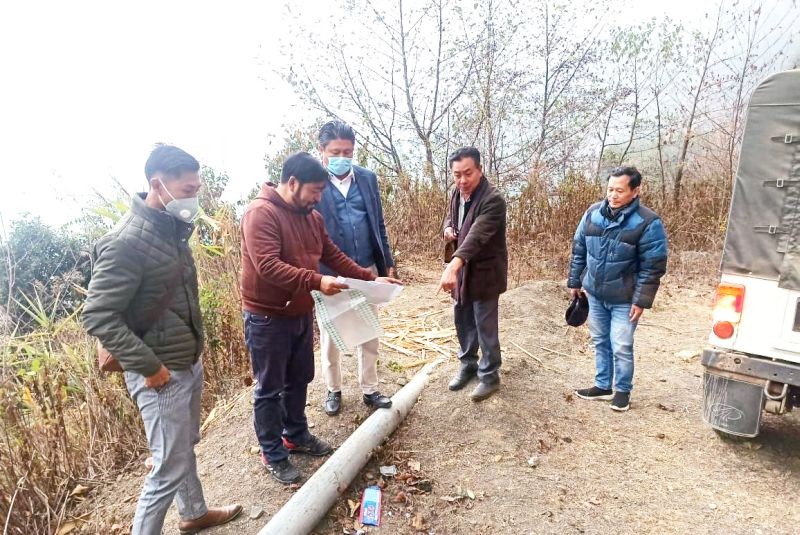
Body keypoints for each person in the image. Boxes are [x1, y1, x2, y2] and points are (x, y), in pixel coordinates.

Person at [82, 145, 242, 535]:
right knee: (167, 466)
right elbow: (98, 316)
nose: (194, 197)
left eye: (196, 189)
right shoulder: (124, 242)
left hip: (185, 360)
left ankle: (194, 513)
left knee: (182, 448)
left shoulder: (169, 228)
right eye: (187, 190)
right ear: (158, 185)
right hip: (159, 373)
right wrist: (150, 367)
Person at [240, 152, 401, 484]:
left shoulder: (311, 217)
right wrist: (316, 281)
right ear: (292, 183)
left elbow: (332, 254)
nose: (318, 198)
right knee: (270, 388)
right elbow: (267, 266)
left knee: (299, 377)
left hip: (300, 310)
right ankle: (272, 452)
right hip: (267, 316)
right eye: (314, 191)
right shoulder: (261, 213)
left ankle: (295, 434)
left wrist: (371, 279)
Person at [567, 166, 668, 412]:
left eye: (620, 191)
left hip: (625, 298)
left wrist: (641, 300)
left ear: (635, 191)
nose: (613, 195)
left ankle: (622, 391)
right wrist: (575, 281)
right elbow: (579, 248)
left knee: (621, 345)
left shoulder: (648, 222)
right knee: (600, 340)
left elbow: (653, 265)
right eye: (610, 189)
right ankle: (603, 385)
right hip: (595, 294)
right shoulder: (592, 213)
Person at [314, 120, 396, 416]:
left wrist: (387, 263)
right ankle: (333, 389)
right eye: (335, 152)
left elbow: (378, 224)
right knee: (330, 335)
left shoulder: (367, 179)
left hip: (366, 267)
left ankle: (370, 389)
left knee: (369, 331)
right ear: (321, 150)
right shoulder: (315, 183)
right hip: (329, 272)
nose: (342, 157)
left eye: (348, 152)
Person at [439, 147, 508, 402]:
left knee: (484, 324)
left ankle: (489, 376)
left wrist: (453, 266)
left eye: (468, 173)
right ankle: (468, 364)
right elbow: (451, 217)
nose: (462, 180)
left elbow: (477, 236)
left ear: (480, 169)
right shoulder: (457, 193)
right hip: (463, 272)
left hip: (485, 273)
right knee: (463, 319)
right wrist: (448, 227)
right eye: (457, 175)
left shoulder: (493, 199)